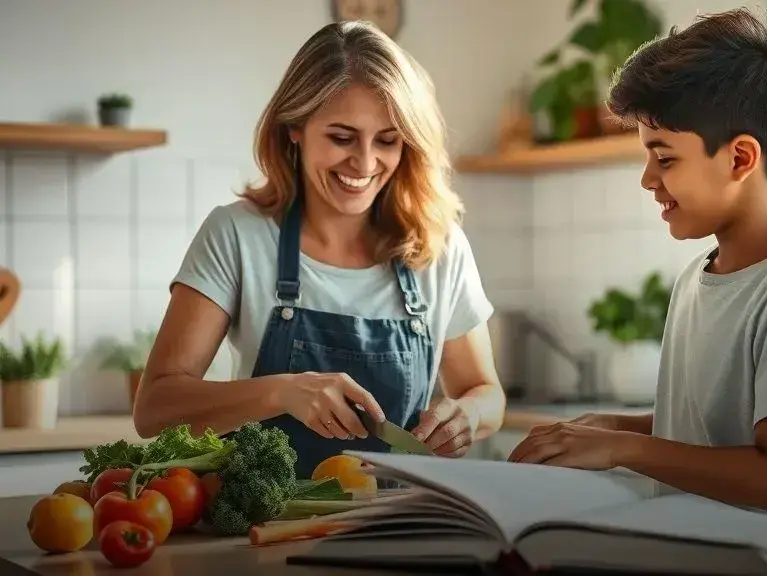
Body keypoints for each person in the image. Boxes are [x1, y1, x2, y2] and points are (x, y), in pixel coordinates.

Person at [508, 8, 767, 522]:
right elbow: (709, 431)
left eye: (665, 157)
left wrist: (623, 451)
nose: (648, 179)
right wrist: (614, 426)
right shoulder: (699, 276)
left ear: (740, 158)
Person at [133, 21, 506, 478]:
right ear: (294, 127)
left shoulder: (438, 245)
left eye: (387, 140)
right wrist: (282, 392)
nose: (365, 163)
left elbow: (486, 393)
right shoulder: (237, 235)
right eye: (342, 137)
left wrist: (468, 415)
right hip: (266, 532)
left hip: (401, 526)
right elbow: (155, 407)